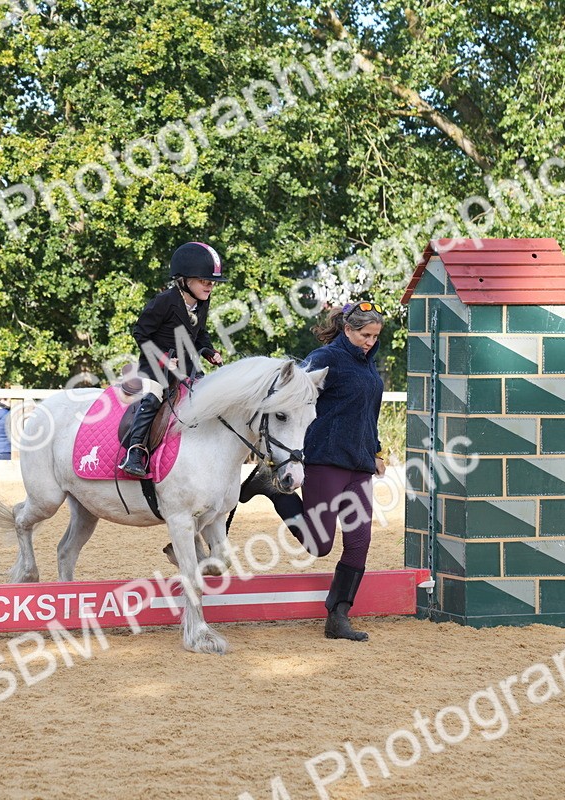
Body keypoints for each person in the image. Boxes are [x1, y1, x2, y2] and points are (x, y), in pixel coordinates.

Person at [244, 301, 387, 642]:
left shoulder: (368, 364)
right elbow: (292, 400)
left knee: (359, 542)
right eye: (365, 335)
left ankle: (338, 618)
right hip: (324, 458)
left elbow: (368, 412)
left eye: (375, 336)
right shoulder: (324, 358)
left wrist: (377, 449)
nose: (370, 341)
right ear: (347, 330)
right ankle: (275, 489)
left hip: (360, 464)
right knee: (319, 544)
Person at [118, 241, 227, 476]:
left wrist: (209, 351)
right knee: (153, 398)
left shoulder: (202, 302)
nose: (209, 286)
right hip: (155, 368)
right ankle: (135, 452)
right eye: (204, 281)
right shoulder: (164, 301)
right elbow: (140, 333)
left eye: (212, 282)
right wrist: (163, 359)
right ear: (184, 280)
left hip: (187, 369)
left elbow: (200, 334)